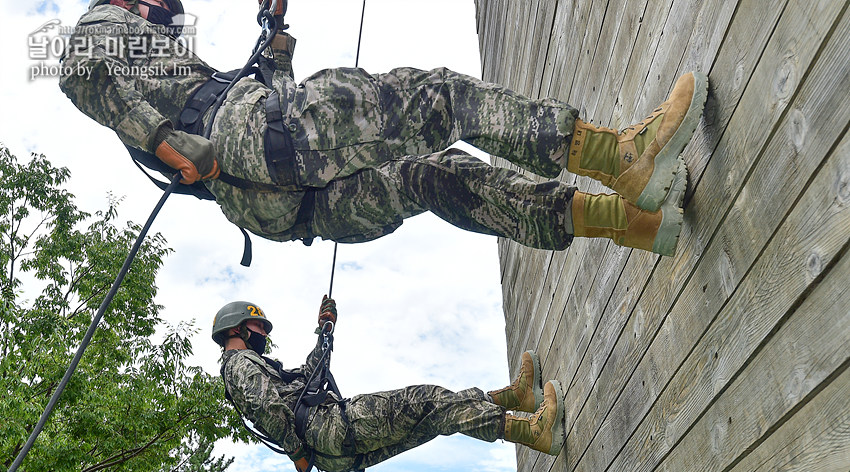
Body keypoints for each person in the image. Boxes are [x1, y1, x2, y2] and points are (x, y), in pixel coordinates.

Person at [59, 0, 706, 256]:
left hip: (275, 204)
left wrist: (276, 60)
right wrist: (162, 140)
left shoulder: (166, 70)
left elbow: (279, 140)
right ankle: (620, 158)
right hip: (246, 145)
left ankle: (628, 224)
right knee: (436, 99)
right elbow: (72, 69)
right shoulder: (103, 24)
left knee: (435, 178)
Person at [213, 298, 565, 472]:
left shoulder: (255, 366)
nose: (264, 334)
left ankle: (514, 400)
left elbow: (310, 376)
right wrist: (297, 454)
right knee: (428, 400)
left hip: (332, 451)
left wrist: (324, 330)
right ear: (235, 330)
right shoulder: (240, 364)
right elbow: (266, 409)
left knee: (434, 417)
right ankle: (533, 431)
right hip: (331, 428)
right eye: (257, 328)